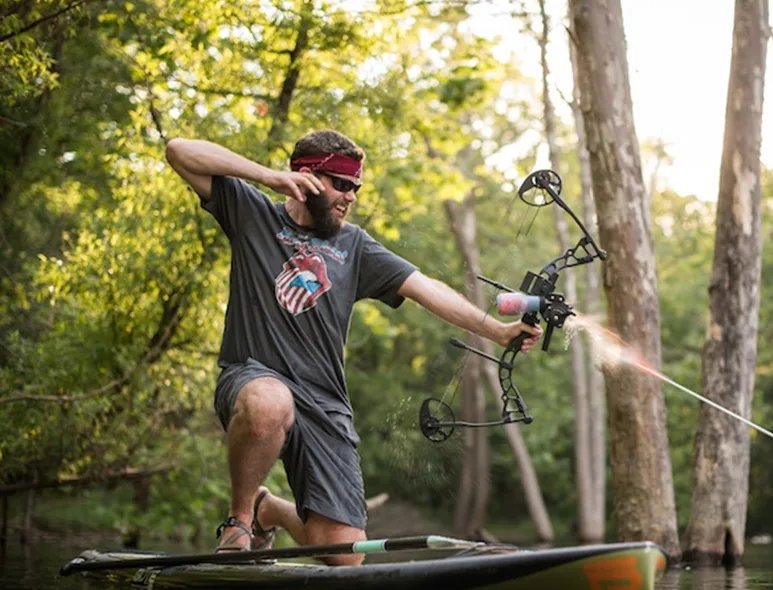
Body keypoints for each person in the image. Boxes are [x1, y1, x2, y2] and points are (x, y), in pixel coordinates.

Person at [165, 130, 540, 565]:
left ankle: (273, 511)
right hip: (253, 378)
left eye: (356, 188)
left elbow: (426, 288)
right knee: (269, 401)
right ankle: (240, 521)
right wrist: (268, 176)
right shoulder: (252, 215)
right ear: (305, 178)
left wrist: (497, 330)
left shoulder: (355, 246)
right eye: (341, 185)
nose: (351, 196)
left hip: (324, 403)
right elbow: (180, 151)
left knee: (343, 556)